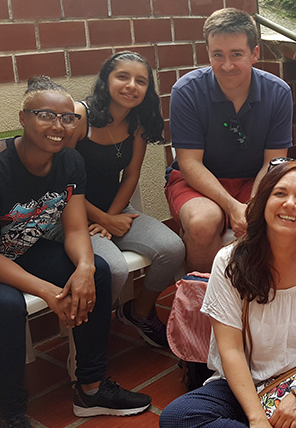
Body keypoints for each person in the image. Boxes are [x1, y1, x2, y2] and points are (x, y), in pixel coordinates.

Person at [0, 76, 152, 428]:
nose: (58, 126)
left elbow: (77, 229)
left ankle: (91, 390)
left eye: (67, 118)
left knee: (100, 271)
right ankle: (13, 416)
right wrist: (48, 291)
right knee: (5, 304)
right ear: (23, 118)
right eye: (45, 115)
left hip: (20, 249)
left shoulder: (70, 163)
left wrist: (83, 267)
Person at [159, 159, 296, 428]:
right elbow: (230, 349)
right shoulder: (229, 261)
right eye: (280, 193)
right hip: (241, 386)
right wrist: (256, 418)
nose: (290, 204)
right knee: (177, 418)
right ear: (263, 201)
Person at [69, 51, 185, 348]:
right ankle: (89, 341)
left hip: (115, 209)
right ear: (105, 81)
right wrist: (103, 219)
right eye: (122, 77)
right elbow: (60, 185)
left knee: (173, 249)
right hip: (71, 215)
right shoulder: (80, 117)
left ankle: (139, 312)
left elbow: (131, 176)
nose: (131, 85)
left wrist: (113, 216)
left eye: (141, 81)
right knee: (114, 269)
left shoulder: (138, 124)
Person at [165, 8, 293, 272]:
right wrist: (232, 206)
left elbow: (274, 162)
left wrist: (252, 205)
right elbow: (189, 164)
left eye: (236, 54)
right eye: (217, 55)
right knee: (202, 223)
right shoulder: (186, 91)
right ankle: (203, 305)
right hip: (198, 181)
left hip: (253, 180)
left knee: (273, 217)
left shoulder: (278, 93)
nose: (227, 65)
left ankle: (256, 302)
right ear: (208, 53)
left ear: (254, 53)